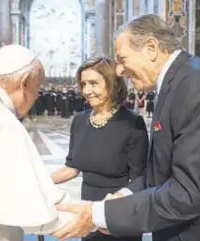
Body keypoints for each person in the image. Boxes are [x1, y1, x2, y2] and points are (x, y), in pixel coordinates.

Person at [52, 14, 200, 241]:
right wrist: (122, 195)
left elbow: (190, 191)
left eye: (123, 58)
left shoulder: (197, 85)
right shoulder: (173, 85)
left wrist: (100, 214)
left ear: (151, 48)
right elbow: (159, 170)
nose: (119, 71)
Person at [0, 45, 74, 241]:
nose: (38, 95)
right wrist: (93, 217)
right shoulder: (3, 121)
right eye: (37, 87)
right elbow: (34, 210)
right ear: (24, 83)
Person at [51, 57, 148, 241]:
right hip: (87, 213)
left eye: (93, 83)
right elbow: (71, 168)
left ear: (112, 84)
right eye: (83, 84)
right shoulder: (79, 120)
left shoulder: (132, 123)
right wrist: (40, 183)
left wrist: (112, 205)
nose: (87, 91)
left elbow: (141, 178)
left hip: (119, 215)